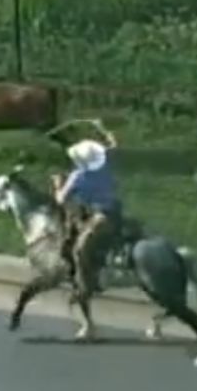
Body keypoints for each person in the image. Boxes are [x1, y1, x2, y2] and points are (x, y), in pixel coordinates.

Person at [51, 122, 122, 296]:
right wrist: (103, 128)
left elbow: (61, 200)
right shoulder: (105, 162)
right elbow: (114, 145)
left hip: (98, 215)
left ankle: (86, 284)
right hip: (115, 209)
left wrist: (57, 185)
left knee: (78, 250)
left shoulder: (78, 177)